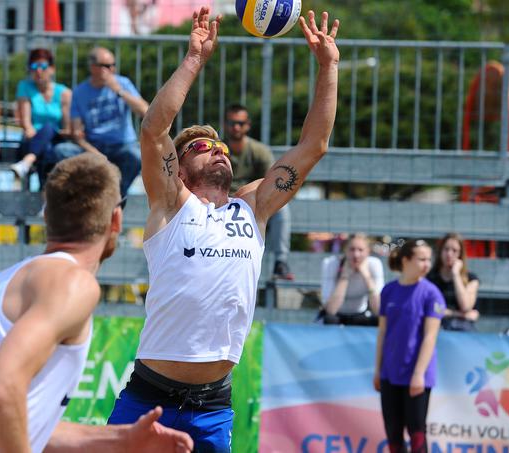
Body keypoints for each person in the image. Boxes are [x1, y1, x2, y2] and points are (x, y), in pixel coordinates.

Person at [108, 7, 339, 451]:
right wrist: (193, 60)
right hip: (149, 397)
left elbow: (314, 146)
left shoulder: (253, 206)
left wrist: (328, 67)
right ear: (180, 166)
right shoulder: (172, 202)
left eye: (220, 147)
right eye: (200, 147)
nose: (217, 151)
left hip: (213, 403)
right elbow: (154, 129)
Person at [0, 153, 193, 453]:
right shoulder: (73, 281)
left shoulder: (8, 278)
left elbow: (15, 422)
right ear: (117, 218)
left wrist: (118, 441)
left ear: (46, 216)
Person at [374, 239, 446, 453]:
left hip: (417, 375)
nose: (427, 264)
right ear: (406, 260)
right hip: (390, 373)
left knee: (416, 432)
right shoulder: (388, 291)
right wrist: (378, 370)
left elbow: (430, 337)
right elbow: (382, 333)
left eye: (429, 259)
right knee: (393, 433)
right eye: (421, 259)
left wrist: (418, 374)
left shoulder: (431, 293)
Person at [225, 103, 294, 280]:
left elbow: (271, 183)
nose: (236, 127)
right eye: (232, 123)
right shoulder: (219, 149)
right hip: (224, 203)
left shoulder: (259, 151)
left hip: (253, 201)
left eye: (240, 123)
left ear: (247, 125)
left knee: (282, 209)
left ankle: (281, 262)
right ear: (225, 124)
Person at [70, 46, 149, 196]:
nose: (111, 69)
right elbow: (77, 132)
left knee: (136, 156)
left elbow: (145, 111)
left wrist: (119, 92)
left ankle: (113, 198)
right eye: (106, 66)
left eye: (113, 65)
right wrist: (95, 153)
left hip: (122, 144)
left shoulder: (123, 83)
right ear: (93, 67)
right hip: (94, 145)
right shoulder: (79, 92)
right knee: (62, 151)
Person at [11, 48, 82, 187]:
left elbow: (67, 127)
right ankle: (46, 192)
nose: (38, 71)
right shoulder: (25, 87)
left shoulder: (64, 93)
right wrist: (29, 129)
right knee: (48, 147)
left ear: (52, 69)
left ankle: (27, 162)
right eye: (34, 66)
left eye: (43, 66)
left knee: (49, 130)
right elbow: (26, 121)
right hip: (33, 139)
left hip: (56, 137)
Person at [319, 233, 384, 326]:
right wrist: (344, 277)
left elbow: (378, 310)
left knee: (379, 321)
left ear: (368, 251)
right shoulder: (331, 263)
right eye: (352, 249)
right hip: (337, 315)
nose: (356, 255)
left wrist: (367, 276)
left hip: (361, 314)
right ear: (345, 250)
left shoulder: (374, 264)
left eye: (360, 250)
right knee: (330, 320)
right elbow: (331, 310)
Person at [427, 232, 480, 331]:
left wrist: (456, 274)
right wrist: (458, 314)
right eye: (446, 249)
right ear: (440, 251)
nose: (449, 254)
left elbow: (465, 306)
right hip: (437, 326)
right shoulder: (430, 278)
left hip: (462, 329)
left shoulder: (471, 279)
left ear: (460, 254)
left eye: (454, 250)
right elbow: (430, 309)